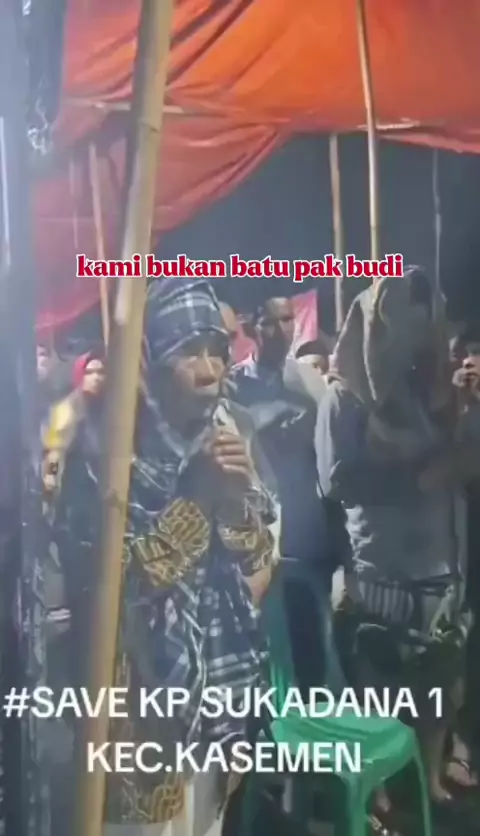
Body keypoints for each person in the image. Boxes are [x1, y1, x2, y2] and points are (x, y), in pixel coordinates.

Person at [56, 279, 278, 835]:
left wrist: (235, 500)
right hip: (139, 714)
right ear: (149, 364)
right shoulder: (100, 456)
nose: (209, 372)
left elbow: (256, 556)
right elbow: (116, 590)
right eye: (187, 352)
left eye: (217, 351)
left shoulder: (226, 433)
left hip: (215, 700)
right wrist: (198, 499)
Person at [316, 267, 477, 815]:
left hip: (443, 564)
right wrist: (421, 476)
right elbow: (335, 483)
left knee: (439, 686)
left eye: (426, 321)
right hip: (381, 567)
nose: (418, 333)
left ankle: (429, 778)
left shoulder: (435, 392)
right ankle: (377, 792)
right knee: (378, 690)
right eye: (405, 321)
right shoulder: (344, 397)